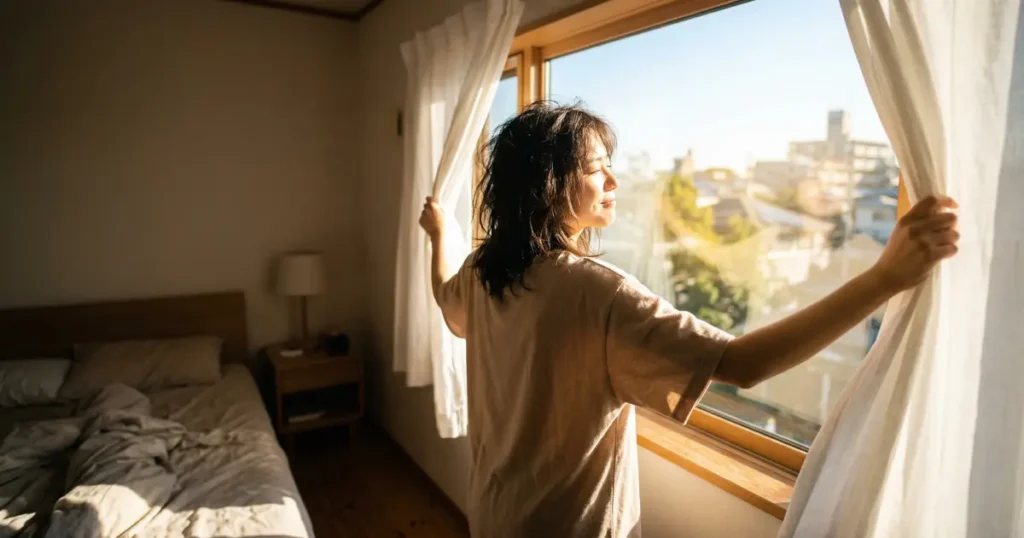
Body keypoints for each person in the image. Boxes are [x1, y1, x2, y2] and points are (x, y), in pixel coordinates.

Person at [418, 103, 959, 538]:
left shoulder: (485, 271)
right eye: (595, 168)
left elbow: (447, 301)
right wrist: (885, 278)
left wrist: (441, 233)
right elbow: (742, 365)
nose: (613, 180)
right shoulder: (598, 291)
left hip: (492, 513)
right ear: (549, 184)